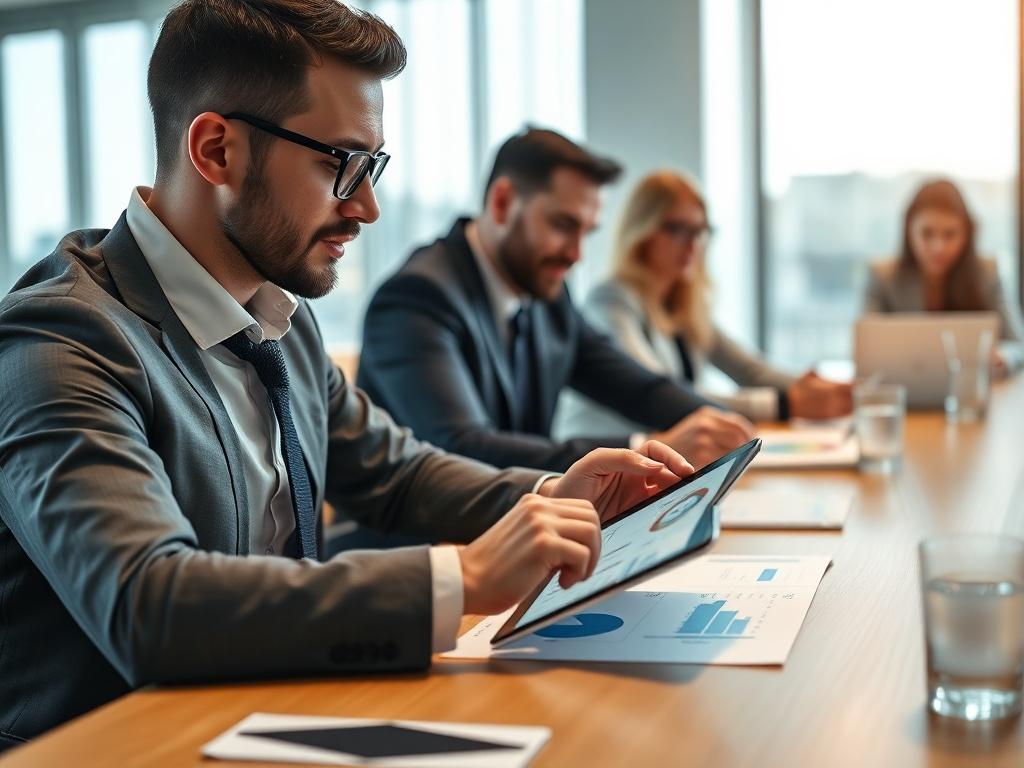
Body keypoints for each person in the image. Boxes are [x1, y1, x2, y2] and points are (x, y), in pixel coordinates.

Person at [0, 0, 697, 747]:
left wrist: (556, 496)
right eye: (342, 164)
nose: (366, 205)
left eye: (373, 165)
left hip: (266, 713)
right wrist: (462, 577)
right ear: (216, 151)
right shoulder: (59, 341)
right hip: (124, 747)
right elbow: (148, 601)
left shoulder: (279, 319)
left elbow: (398, 475)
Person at [357, 130, 754, 475]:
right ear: (502, 202)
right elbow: (463, 448)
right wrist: (643, 448)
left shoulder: (544, 291)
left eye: (587, 231)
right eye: (563, 225)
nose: (577, 254)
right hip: (424, 549)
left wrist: (721, 425)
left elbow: (636, 386)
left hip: (524, 529)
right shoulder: (417, 297)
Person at [554, 170, 851, 440]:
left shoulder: (683, 305)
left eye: (700, 231)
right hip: (603, 461)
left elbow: (751, 371)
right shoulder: (611, 300)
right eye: (677, 229)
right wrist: (784, 404)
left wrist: (814, 388)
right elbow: (659, 392)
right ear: (642, 231)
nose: (692, 244)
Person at [864, 178, 1024, 376]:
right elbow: (866, 351)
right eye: (927, 234)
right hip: (906, 397)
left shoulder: (987, 273)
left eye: (949, 235)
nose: (938, 248)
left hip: (972, 396)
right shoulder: (882, 277)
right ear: (909, 232)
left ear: (967, 234)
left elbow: (1018, 345)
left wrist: (1004, 358)